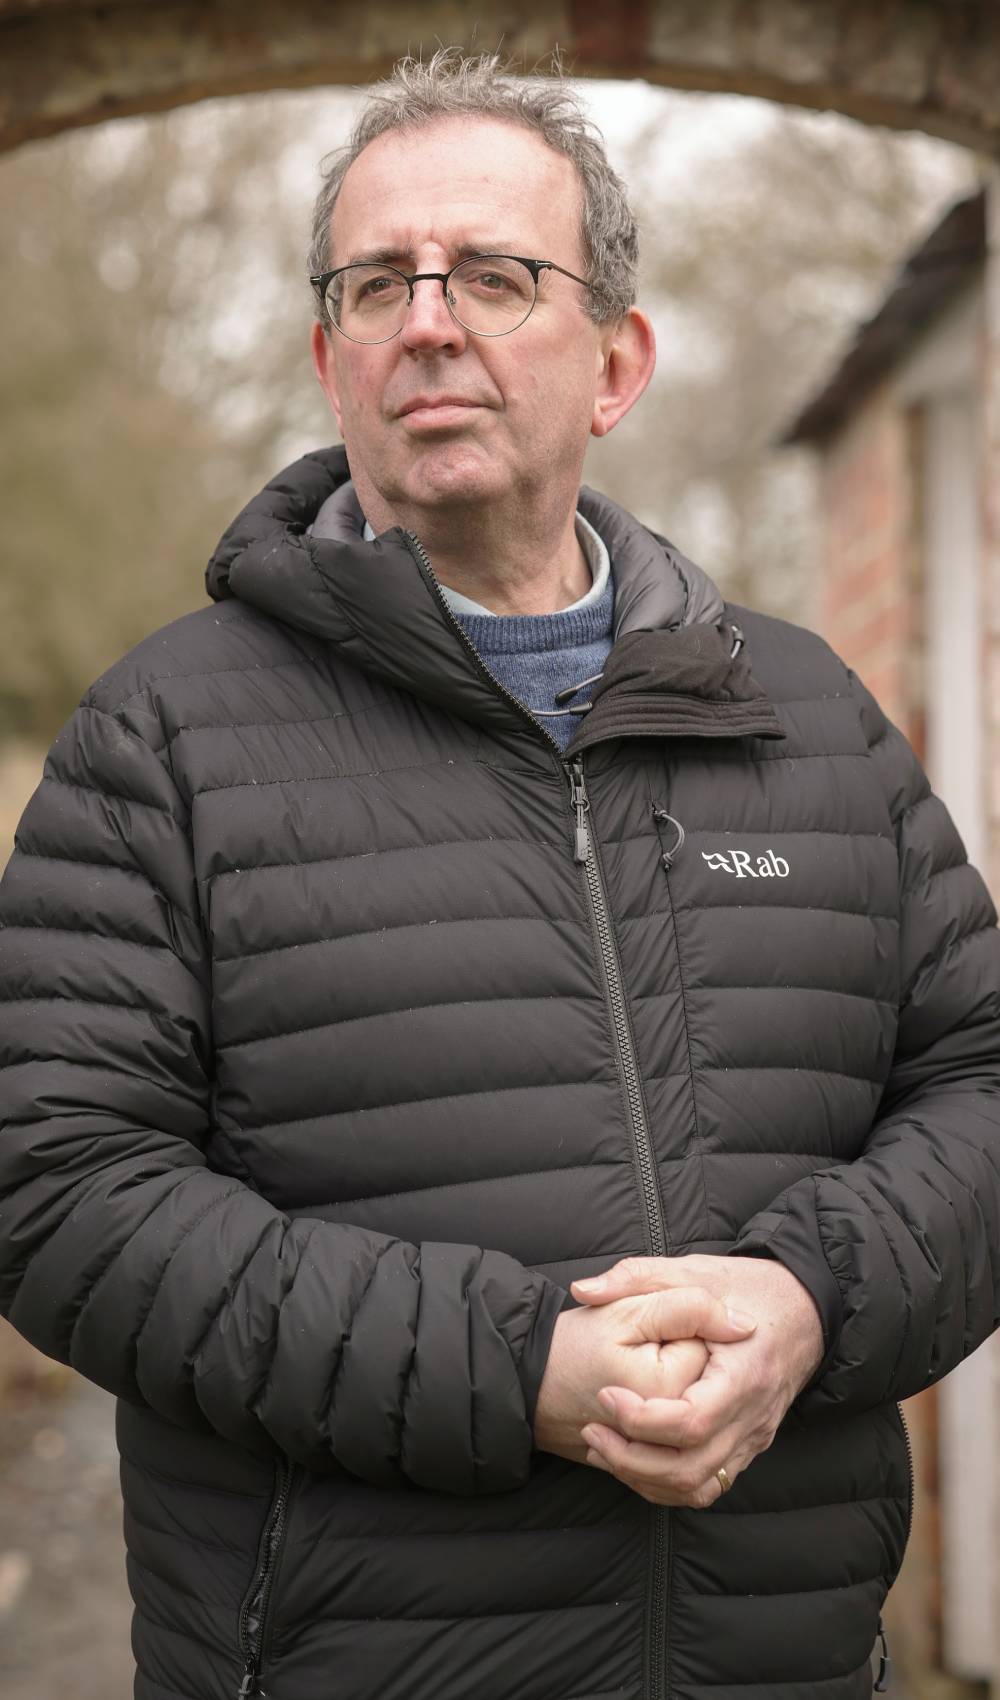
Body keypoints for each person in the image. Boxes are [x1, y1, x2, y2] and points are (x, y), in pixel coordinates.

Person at [1, 47, 998, 1700]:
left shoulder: (812, 720)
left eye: (496, 274)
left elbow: (978, 1084)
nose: (430, 317)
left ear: (617, 363)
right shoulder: (161, 738)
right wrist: (513, 1366)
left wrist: (816, 1298)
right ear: (333, 364)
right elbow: (58, 1192)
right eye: (379, 280)